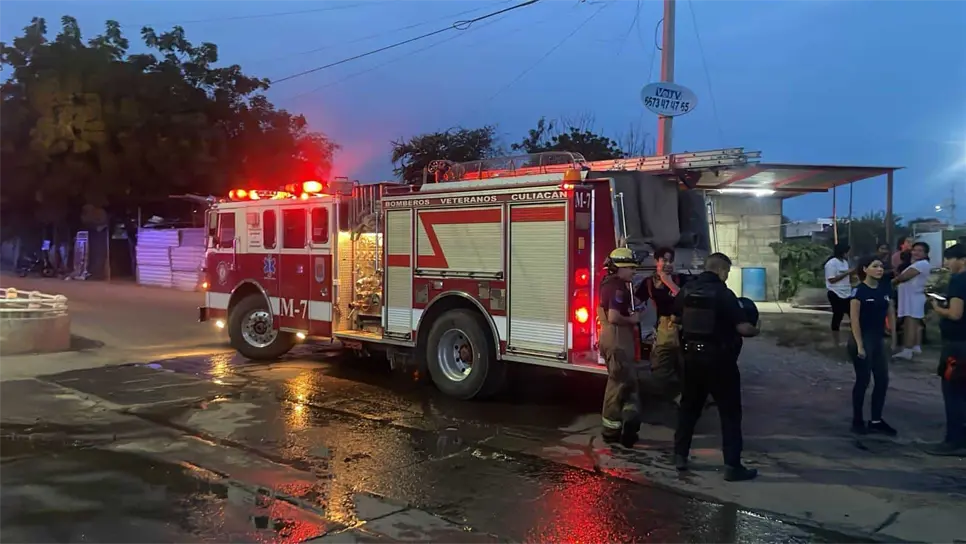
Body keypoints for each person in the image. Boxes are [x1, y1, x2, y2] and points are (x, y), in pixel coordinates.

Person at [671, 252, 760, 482]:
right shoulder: (724, 294)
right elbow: (743, 328)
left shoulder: (687, 290)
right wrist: (756, 328)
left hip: (692, 359)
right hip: (720, 362)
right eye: (727, 272)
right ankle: (732, 466)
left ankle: (680, 456)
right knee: (730, 414)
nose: (727, 276)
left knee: (688, 409)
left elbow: (675, 319)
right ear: (720, 270)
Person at [847, 255, 898, 436]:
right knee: (863, 380)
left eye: (881, 267)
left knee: (882, 380)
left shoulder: (885, 289)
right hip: (862, 339)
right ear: (865, 269)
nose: (880, 269)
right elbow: (854, 320)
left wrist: (893, 339)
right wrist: (860, 345)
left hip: (878, 340)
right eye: (875, 266)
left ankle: (876, 420)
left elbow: (891, 313)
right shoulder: (858, 291)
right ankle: (857, 420)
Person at [598, 247, 643, 447]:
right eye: (631, 268)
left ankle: (626, 428)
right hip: (618, 342)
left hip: (614, 340)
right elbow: (614, 317)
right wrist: (632, 319)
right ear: (620, 269)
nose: (634, 272)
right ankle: (611, 432)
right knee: (617, 387)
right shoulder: (617, 287)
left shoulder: (609, 283)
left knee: (625, 385)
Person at [925, 243, 966, 456]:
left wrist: (937, 308)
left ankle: (954, 441)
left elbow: (956, 314)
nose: (947, 264)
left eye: (950, 259)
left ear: (962, 259)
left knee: (953, 393)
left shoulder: (959, 280)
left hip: (957, 345)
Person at [636, 247, 686, 404]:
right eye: (664, 260)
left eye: (670, 260)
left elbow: (687, 300)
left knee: (685, 367)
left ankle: (687, 400)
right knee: (659, 370)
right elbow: (636, 301)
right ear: (656, 261)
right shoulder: (649, 283)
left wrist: (668, 282)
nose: (667, 263)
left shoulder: (681, 280)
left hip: (683, 329)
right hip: (664, 329)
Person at [893, 241, 931, 359]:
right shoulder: (918, 263)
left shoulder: (921, 264)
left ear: (925, 253)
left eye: (920, 251)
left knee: (910, 323)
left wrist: (892, 282)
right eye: (915, 250)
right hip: (912, 297)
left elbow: (903, 277)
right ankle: (915, 346)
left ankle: (908, 349)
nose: (916, 253)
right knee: (915, 323)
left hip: (913, 298)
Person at [825, 242, 855, 347]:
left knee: (853, 314)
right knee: (838, 316)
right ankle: (836, 340)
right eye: (847, 252)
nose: (848, 254)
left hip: (847, 292)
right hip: (835, 292)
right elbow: (832, 279)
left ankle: (855, 338)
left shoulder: (845, 262)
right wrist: (847, 273)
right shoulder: (831, 263)